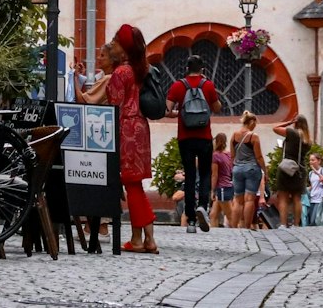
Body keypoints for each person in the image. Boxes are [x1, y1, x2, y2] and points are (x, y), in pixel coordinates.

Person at [78, 23, 157, 253]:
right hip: (139, 126)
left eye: (116, 41)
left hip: (127, 128)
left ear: (123, 50)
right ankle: (142, 239)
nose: (112, 43)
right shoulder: (140, 68)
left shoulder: (122, 72)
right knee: (136, 185)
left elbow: (113, 106)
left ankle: (144, 240)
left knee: (132, 185)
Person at [167, 55, 220, 233]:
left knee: (189, 176)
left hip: (185, 137)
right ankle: (202, 207)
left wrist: (179, 112)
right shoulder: (208, 85)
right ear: (202, 69)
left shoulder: (178, 85)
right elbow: (217, 107)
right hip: (204, 136)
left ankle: (190, 220)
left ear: (186, 68)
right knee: (204, 173)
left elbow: (168, 108)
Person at [271, 114, 310, 227]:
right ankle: (296, 224)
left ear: (296, 123)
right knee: (297, 198)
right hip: (300, 170)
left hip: (286, 168)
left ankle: (283, 224)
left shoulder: (292, 133)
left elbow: (275, 128)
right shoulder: (308, 140)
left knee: (283, 198)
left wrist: (288, 122)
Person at [230, 114, 264, 230]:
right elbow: (259, 156)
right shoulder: (253, 136)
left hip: (237, 169)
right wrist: (265, 170)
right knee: (249, 199)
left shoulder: (234, 136)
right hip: (251, 168)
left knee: (237, 199)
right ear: (251, 122)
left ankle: (234, 227)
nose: (255, 126)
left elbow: (232, 156)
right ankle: (247, 227)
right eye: (255, 123)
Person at [211, 133, 234, 227]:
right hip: (228, 185)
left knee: (230, 215)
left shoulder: (215, 156)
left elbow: (214, 175)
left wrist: (212, 190)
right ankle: (213, 234)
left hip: (221, 187)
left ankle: (238, 233)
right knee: (213, 215)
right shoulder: (228, 154)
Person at [304, 153, 323, 226]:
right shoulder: (310, 173)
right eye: (310, 160)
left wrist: (316, 172)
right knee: (310, 220)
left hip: (320, 199)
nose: (311, 162)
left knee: (315, 220)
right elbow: (313, 186)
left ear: (319, 161)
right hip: (312, 198)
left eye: (313, 160)